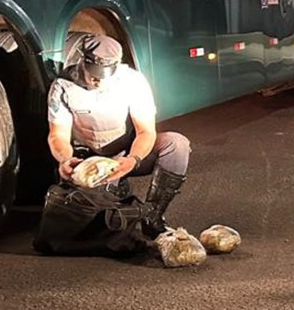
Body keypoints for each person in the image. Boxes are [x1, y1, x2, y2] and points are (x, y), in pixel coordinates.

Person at [46, 34, 190, 237]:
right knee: (97, 225)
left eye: (106, 74)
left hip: (127, 151)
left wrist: (132, 160)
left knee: (177, 144)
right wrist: (65, 160)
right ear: (83, 61)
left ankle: (153, 215)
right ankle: (113, 197)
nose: (99, 80)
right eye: (94, 74)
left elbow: (146, 131)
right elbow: (57, 135)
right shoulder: (63, 85)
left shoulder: (133, 81)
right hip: (89, 160)